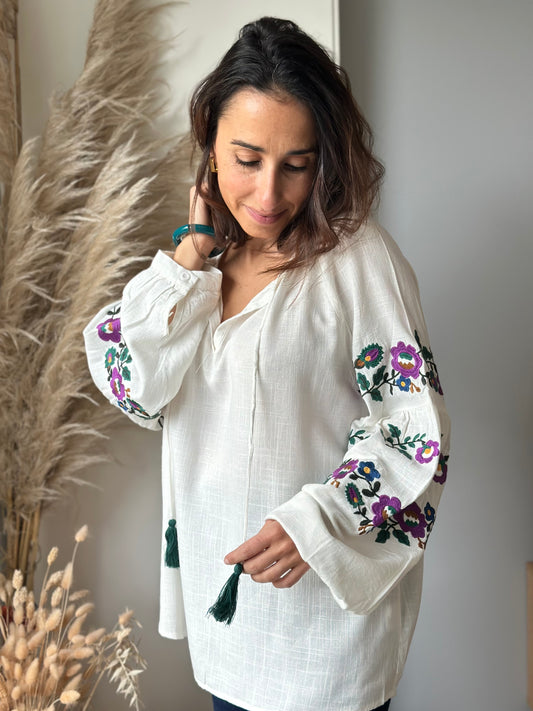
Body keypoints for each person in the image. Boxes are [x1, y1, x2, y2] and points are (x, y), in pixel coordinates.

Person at [84, 17, 450, 711]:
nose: (268, 194)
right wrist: (189, 256)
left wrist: (315, 521)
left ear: (325, 159)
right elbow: (135, 385)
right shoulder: (204, 268)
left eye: (296, 164)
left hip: (322, 641)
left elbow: (415, 433)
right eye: (246, 159)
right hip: (227, 627)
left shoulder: (357, 260)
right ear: (210, 147)